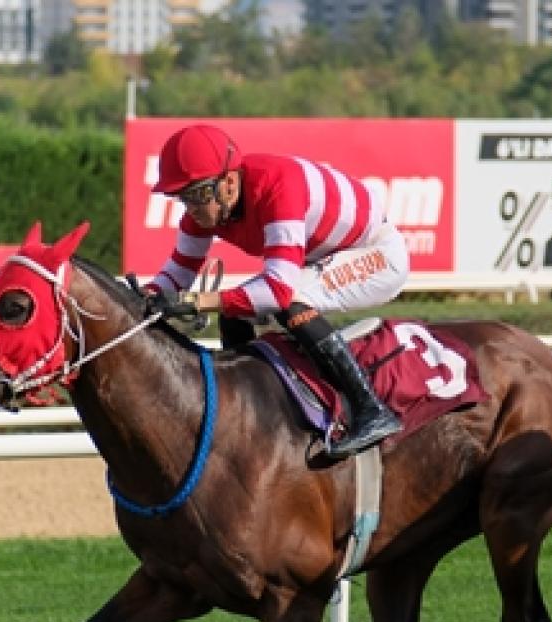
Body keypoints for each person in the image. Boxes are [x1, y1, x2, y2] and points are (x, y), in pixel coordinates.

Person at [142, 123, 407, 459]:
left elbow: (278, 290)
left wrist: (197, 302)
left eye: (197, 195)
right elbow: (179, 270)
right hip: (327, 255)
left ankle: (370, 409)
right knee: (235, 310)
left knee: (292, 303)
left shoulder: (277, 187)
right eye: (182, 197)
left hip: (377, 253)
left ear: (230, 182)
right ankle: (247, 413)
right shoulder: (205, 206)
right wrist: (146, 298)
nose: (191, 208)